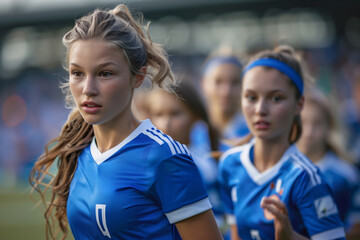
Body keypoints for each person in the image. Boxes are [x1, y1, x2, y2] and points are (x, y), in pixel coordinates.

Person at [29, 5, 223, 240]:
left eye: (105, 73)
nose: (88, 89)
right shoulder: (79, 151)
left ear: (138, 77)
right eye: (77, 73)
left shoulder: (165, 157)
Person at [218, 45, 346, 240]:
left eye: (276, 98)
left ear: (299, 104)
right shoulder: (230, 164)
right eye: (251, 97)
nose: (260, 109)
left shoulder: (305, 177)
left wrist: (290, 237)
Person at [146, 81, 225, 227]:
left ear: (195, 116)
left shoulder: (210, 155)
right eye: (158, 114)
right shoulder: (145, 162)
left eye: (175, 114)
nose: (166, 123)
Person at [296, 87, 360, 238]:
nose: (309, 132)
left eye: (317, 124)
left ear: (328, 127)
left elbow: (356, 225)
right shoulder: (283, 169)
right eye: (304, 122)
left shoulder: (345, 174)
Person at [201, 50, 249, 143]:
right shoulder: (192, 133)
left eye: (235, 82)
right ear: (204, 84)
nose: (226, 91)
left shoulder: (253, 134)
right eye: (218, 82)